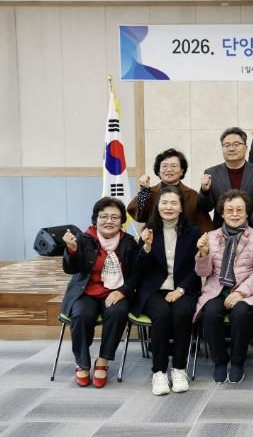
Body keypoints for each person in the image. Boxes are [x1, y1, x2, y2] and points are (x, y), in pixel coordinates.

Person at [60, 197, 139, 388]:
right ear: (96, 218)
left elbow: (137, 274)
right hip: (85, 292)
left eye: (115, 217)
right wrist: (71, 249)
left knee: (118, 312)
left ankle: (103, 360)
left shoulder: (128, 242)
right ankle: (82, 362)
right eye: (104, 216)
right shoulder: (84, 239)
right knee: (81, 314)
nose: (109, 221)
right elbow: (71, 269)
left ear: (122, 221)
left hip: (116, 291)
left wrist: (123, 291)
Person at [132, 185, 201, 395]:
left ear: (181, 208)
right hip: (154, 289)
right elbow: (137, 270)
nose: (168, 207)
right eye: (164, 202)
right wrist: (145, 248)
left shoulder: (193, 233)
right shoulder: (148, 231)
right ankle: (159, 371)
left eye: (173, 203)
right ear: (157, 206)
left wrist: (181, 289)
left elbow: (197, 268)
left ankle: (179, 369)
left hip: (183, 288)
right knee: (161, 314)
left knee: (182, 313)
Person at [194, 190, 253, 384]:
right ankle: (219, 361)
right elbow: (203, 273)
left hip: (247, 291)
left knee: (241, 314)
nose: (235, 214)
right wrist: (203, 254)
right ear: (222, 214)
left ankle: (237, 361)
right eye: (230, 210)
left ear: (247, 213)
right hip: (217, 288)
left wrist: (240, 293)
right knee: (210, 314)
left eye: (239, 210)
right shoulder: (211, 236)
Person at [127, 148, 213, 233]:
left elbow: (204, 225)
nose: (169, 170)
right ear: (158, 171)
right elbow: (140, 216)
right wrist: (144, 190)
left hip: (186, 240)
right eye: (164, 166)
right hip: (154, 240)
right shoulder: (150, 192)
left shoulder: (192, 195)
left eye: (174, 166)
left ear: (182, 171)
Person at [199, 127, 253, 229]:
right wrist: (205, 191)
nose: (231, 149)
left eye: (236, 144)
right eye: (227, 145)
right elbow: (205, 208)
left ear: (246, 148)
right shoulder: (212, 173)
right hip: (222, 232)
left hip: (252, 232)